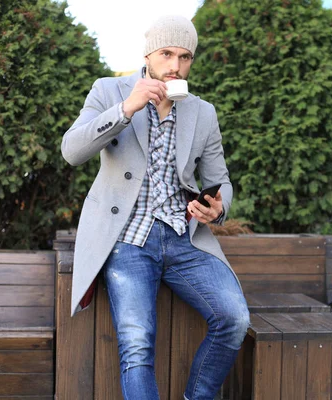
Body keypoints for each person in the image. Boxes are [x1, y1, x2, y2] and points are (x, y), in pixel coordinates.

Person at [61, 15, 250, 400]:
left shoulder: (202, 112)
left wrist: (217, 208)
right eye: (167, 54)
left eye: (185, 57)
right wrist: (125, 110)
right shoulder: (109, 90)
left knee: (234, 319)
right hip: (126, 239)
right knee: (137, 347)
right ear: (148, 53)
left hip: (185, 241)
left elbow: (221, 181)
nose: (175, 66)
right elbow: (72, 151)